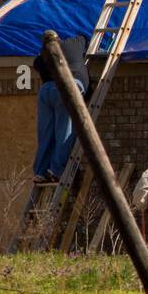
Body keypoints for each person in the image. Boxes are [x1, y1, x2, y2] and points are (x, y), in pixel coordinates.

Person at [31, 34, 90, 183]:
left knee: (46, 133)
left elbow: (36, 63)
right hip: (67, 87)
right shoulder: (74, 43)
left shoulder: (42, 57)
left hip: (47, 91)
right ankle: (57, 170)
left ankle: (40, 171)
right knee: (65, 130)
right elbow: (84, 37)